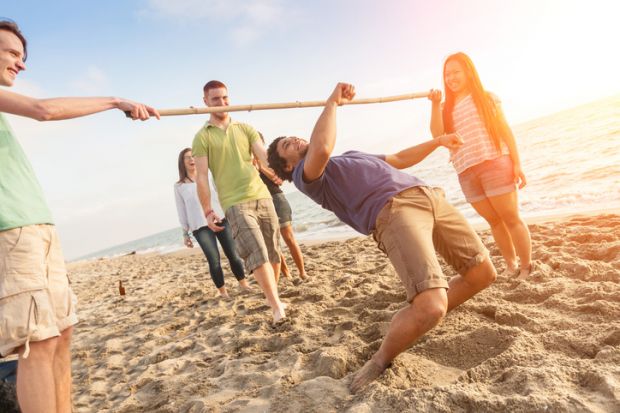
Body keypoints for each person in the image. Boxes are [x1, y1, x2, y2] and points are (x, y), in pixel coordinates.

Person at [267, 83, 497, 393]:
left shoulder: (351, 156)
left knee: (483, 273)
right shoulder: (308, 178)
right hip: (394, 212)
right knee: (431, 306)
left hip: (429, 196)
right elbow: (321, 148)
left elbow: (399, 158)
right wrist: (332, 103)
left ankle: (425, 313)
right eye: (286, 146)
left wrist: (438, 141)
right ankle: (380, 358)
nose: (293, 140)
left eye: (291, 137)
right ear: (289, 166)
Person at [0, 20, 159, 413]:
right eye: (11, 53)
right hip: (8, 231)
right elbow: (43, 110)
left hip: (37, 226)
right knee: (35, 344)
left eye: (23, 57)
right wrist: (115, 101)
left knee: (61, 334)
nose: (20, 65)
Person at [428, 52, 532, 279]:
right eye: (447, 74)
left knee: (511, 218)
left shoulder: (487, 98)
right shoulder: (446, 108)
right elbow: (437, 135)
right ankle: (510, 265)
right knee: (494, 221)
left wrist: (517, 164)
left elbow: (505, 131)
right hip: (466, 172)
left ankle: (526, 267)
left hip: (495, 163)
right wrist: (435, 105)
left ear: (468, 71)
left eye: (456, 72)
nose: (451, 78)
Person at [192, 80, 286, 323]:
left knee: (272, 252)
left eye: (225, 98)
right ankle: (276, 307)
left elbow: (263, 157)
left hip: (261, 195)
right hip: (234, 202)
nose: (222, 103)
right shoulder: (202, 137)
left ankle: (272, 297)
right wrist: (207, 210)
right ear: (205, 102)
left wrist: (277, 171)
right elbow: (201, 176)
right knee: (256, 251)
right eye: (215, 99)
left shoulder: (245, 128)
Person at [174, 148, 250, 298]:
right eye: (187, 158)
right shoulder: (179, 186)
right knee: (214, 260)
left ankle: (243, 284)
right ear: (182, 163)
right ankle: (223, 292)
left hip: (220, 219)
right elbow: (181, 209)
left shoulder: (208, 176)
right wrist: (185, 233)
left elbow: (221, 195)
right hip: (200, 227)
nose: (192, 160)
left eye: (193, 156)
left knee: (233, 255)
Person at [256, 133, 308, 282]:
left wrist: (259, 166)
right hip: (259, 202)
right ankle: (286, 274)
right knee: (273, 243)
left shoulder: (269, 159)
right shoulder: (245, 162)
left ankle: (302, 272)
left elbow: (278, 180)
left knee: (289, 238)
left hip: (276, 198)